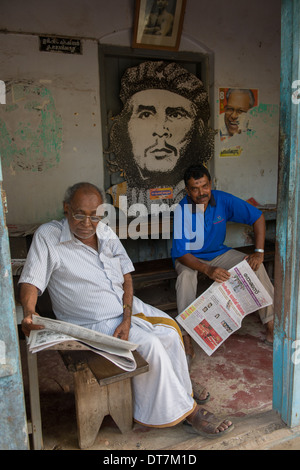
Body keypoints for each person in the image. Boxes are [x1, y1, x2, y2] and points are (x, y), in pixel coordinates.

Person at [19, 182, 234, 438]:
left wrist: (128, 317)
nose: (87, 223)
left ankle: (181, 390)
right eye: (79, 214)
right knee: (152, 345)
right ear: (66, 209)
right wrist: (29, 312)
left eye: (95, 215)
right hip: (91, 322)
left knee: (172, 329)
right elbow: (31, 280)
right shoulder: (48, 236)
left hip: (124, 309)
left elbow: (127, 277)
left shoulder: (105, 232)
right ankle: (190, 412)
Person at [172, 165, 274, 365]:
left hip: (218, 253)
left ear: (211, 184)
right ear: (187, 190)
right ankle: (187, 338)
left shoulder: (222, 200)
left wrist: (259, 253)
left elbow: (257, 217)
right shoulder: (182, 211)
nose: (201, 193)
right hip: (191, 258)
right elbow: (182, 254)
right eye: (195, 188)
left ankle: (271, 325)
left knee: (254, 266)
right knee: (185, 278)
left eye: (205, 186)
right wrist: (208, 270)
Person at [107, 61, 215, 210]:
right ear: (125, 128)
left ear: (197, 129)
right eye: (146, 114)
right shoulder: (116, 195)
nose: (160, 130)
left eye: (176, 114)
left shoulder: (202, 198)